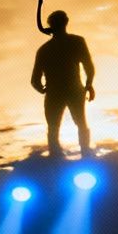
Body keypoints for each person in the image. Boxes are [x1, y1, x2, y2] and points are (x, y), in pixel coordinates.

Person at [32, 10, 96, 159]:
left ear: (50, 25)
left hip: (54, 93)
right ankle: (85, 154)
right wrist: (88, 85)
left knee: (54, 128)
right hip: (74, 90)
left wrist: (43, 90)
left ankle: (56, 158)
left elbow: (35, 80)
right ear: (66, 22)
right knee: (80, 123)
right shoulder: (77, 41)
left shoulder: (44, 49)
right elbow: (89, 67)